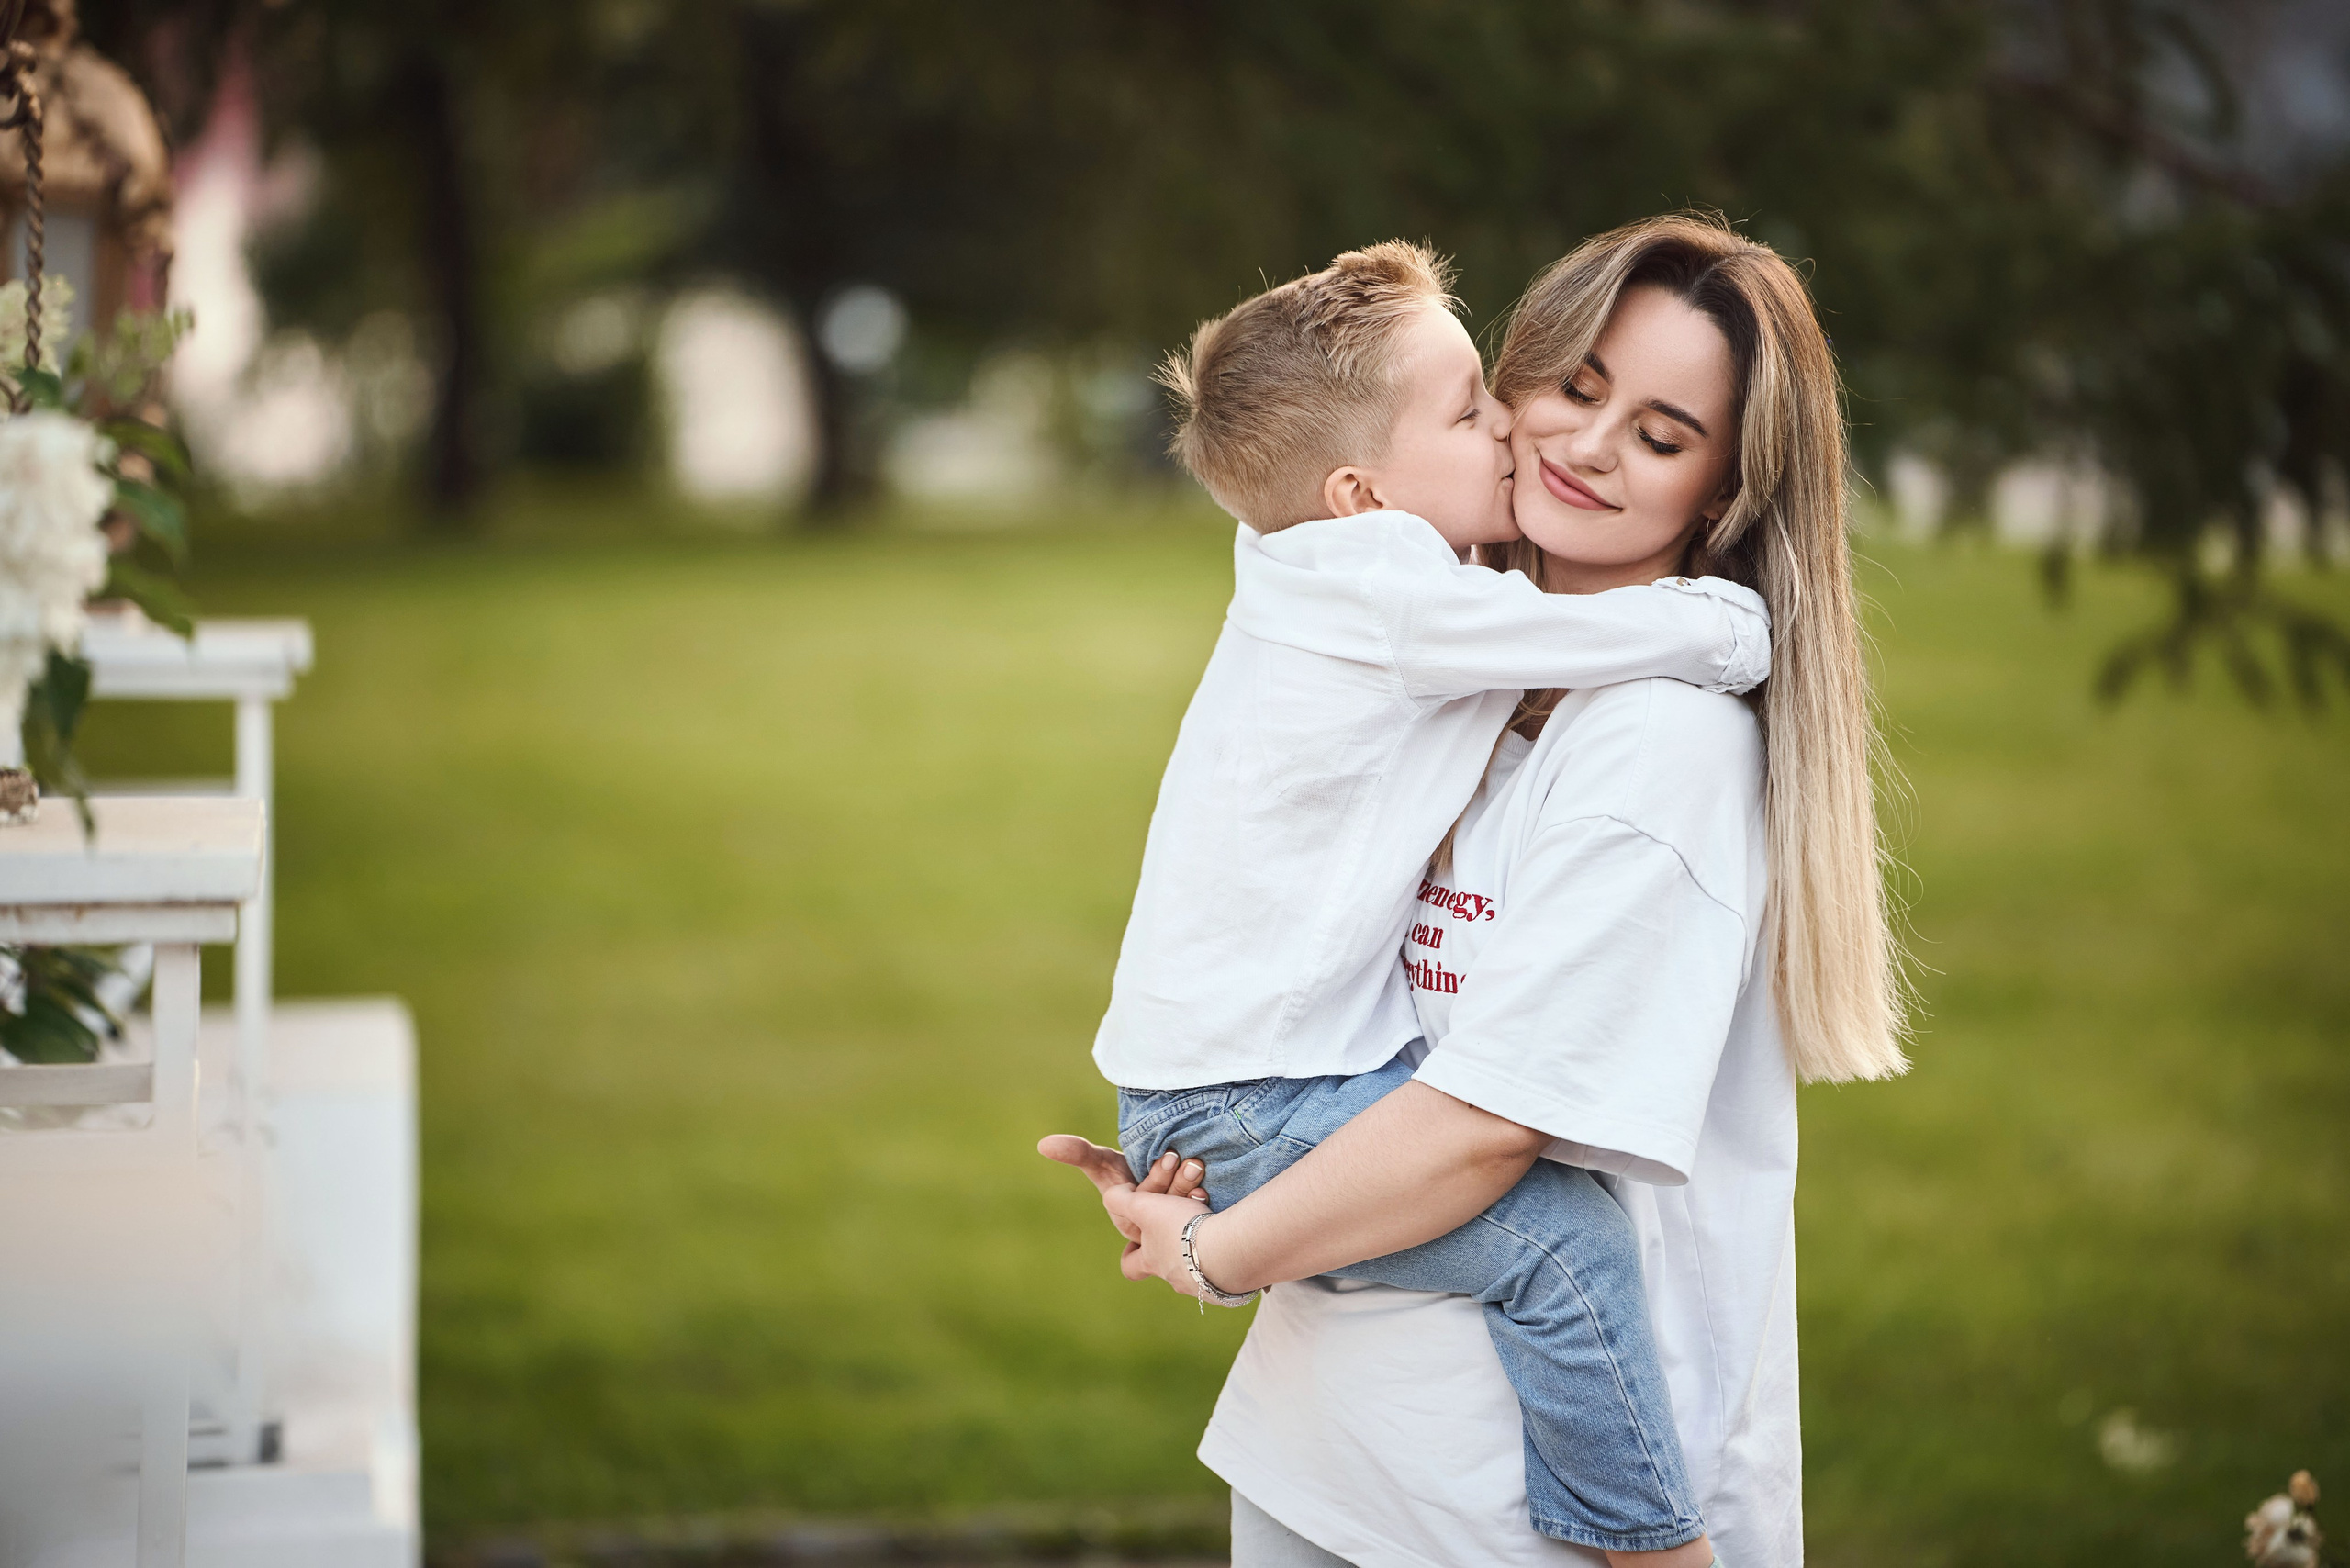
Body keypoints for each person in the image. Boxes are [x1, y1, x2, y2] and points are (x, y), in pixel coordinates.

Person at [1052, 213, 1908, 1568]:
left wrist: (1215, 1245)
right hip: (1324, 1457)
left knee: (1552, 1245)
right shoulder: (1438, 673)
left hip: (1495, 1518)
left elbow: (1483, 1130)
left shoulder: (1657, 743)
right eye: (1574, 385)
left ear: (1722, 494)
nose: (1583, 444)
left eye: (1663, 433)